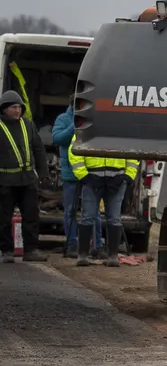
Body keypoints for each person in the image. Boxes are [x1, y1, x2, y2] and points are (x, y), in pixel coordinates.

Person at [69, 139, 138, 267]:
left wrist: (128, 176)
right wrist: (83, 176)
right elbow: (74, 151)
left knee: (113, 218)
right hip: (92, 178)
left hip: (116, 179)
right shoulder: (90, 125)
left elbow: (134, 152)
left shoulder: (124, 130)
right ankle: (83, 255)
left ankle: (112, 256)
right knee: (88, 217)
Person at [0, 89, 49, 263]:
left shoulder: (27, 124)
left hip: (27, 180)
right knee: (4, 218)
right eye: (14, 107)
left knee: (31, 216)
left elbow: (38, 149)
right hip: (5, 181)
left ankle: (31, 250)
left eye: (19, 107)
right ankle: (6, 251)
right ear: (4, 109)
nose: (18, 110)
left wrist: (43, 172)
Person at [51, 99, 82, 258]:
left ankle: (93, 246)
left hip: (89, 173)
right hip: (70, 175)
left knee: (92, 212)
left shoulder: (92, 117)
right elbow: (57, 139)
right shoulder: (63, 119)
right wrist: (73, 126)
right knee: (70, 211)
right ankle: (72, 245)